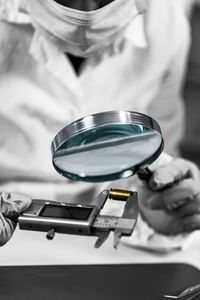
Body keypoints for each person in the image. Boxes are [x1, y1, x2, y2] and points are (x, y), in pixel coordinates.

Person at [0, 0, 200, 247]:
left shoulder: (166, 21)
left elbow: (159, 157)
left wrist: (153, 207)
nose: (88, 10)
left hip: (108, 240)